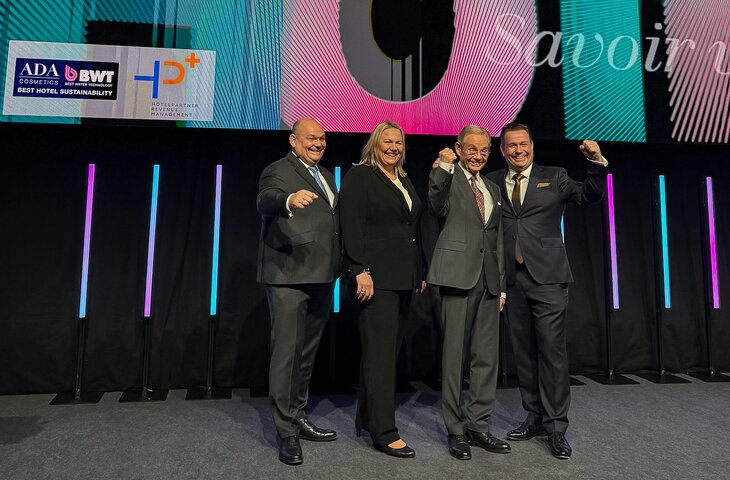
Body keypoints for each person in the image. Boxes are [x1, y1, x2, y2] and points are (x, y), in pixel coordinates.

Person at [486, 122, 607, 460]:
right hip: (512, 279)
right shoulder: (493, 180)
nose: (518, 150)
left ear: (532, 145)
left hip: (549, 278)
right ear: (503, 149)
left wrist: (596, 163)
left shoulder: (554, 175)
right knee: (523, 352)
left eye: (523, 144)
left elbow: (589, 195)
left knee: (552, 352)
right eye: (511, 146)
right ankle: (534, 417)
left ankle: (556, 427)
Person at [256, 118, 340, 465]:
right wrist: (288, 199)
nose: (318, 143)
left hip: (321, 274)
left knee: (306, 354)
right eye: (310, 138)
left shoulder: (328, 175)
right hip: (288, 273)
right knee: (287, 355)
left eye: (322, 138)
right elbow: (266, 199)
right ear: (294, 140)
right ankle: (285, 431)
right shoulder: (277, 170)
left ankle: (298, 414)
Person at [339, 121, 423, 458]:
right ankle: (384, 432)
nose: (394, 147)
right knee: (381, 358)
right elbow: (351, 225)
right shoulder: (361, 176)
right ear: (375, 144)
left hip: (402, 279)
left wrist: (420, 271)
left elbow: (408, 229)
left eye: (398, 142)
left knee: (383, 356)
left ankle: (367, 418)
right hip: (375, 280)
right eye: (387, 141)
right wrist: (360, 269)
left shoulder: (402, 178)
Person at [427, 125, 510, 460]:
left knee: (486, 358)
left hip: (489, 281)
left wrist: (502, 285)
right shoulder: (445, 176)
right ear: (458, 149)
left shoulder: (492, 187)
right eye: (472, 149)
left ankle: (479, 424)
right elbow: (436, 206)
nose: (478, 155)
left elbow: (498, 238)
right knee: (454, 357)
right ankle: (456, 429)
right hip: (456, 276)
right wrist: (442, 168)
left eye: (484, 150)